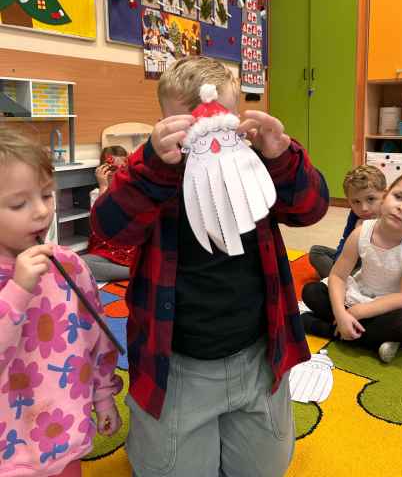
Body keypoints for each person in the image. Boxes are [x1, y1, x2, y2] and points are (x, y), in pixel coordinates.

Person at [90, 56, 329, 477]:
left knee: (264, 471)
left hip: (257, 356)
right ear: (164, 123)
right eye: (190, 124)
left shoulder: (254, 165)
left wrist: (282, 157)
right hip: (178, 364)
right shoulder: (153, 173)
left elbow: (310, 209)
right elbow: (109, 229)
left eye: (222, 120)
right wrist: (151, 168)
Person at [0, 128, 122, 477]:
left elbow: (95, 337)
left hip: (64, 435)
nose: (42, 212)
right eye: (19, 204)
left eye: (46, 195)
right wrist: (17, 290)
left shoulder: (70, 265)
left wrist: (103, 395)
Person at [302, 169, 402, 363]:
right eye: (399, 197)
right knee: (312, 292)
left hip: (395, 306)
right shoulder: (362, 231)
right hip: (361, 293)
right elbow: (338, 276)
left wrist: (358, 312)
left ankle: (323, 328)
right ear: (386, 196)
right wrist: (341, 314)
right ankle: (371, 338)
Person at [309, 165, 386, 279]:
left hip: (376, 266)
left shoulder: (390, 216)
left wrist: (364, 232)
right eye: (356, 202)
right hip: (353, 260)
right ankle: (341, 280)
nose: (364, 208)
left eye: (370, 199)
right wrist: (339, 263)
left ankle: (336, 280)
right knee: (316, 251)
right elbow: (345, 240)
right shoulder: (355, 214)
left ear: (385, 195)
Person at [83, 145, 136, 282]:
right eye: (111, 170)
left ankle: (136, 270)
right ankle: (134, 272)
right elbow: (102, 220)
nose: (117, 173)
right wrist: (104, 186)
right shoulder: (97, 193)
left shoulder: (131, 191)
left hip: (130, 247)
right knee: (82, 264)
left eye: (122, 169)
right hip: (106, 250)